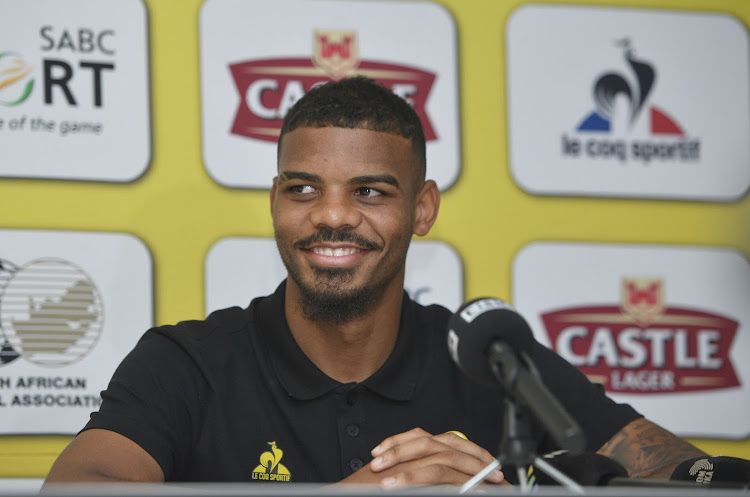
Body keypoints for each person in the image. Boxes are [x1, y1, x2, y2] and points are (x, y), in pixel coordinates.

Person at [45, 77, 705, 487]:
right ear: (275, 199)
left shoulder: (486, 359)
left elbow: (667, 464)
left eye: (369, 190)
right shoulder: (188, 360)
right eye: (304, 188)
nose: (332, 215)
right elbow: (76, 488)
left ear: (422, 209)